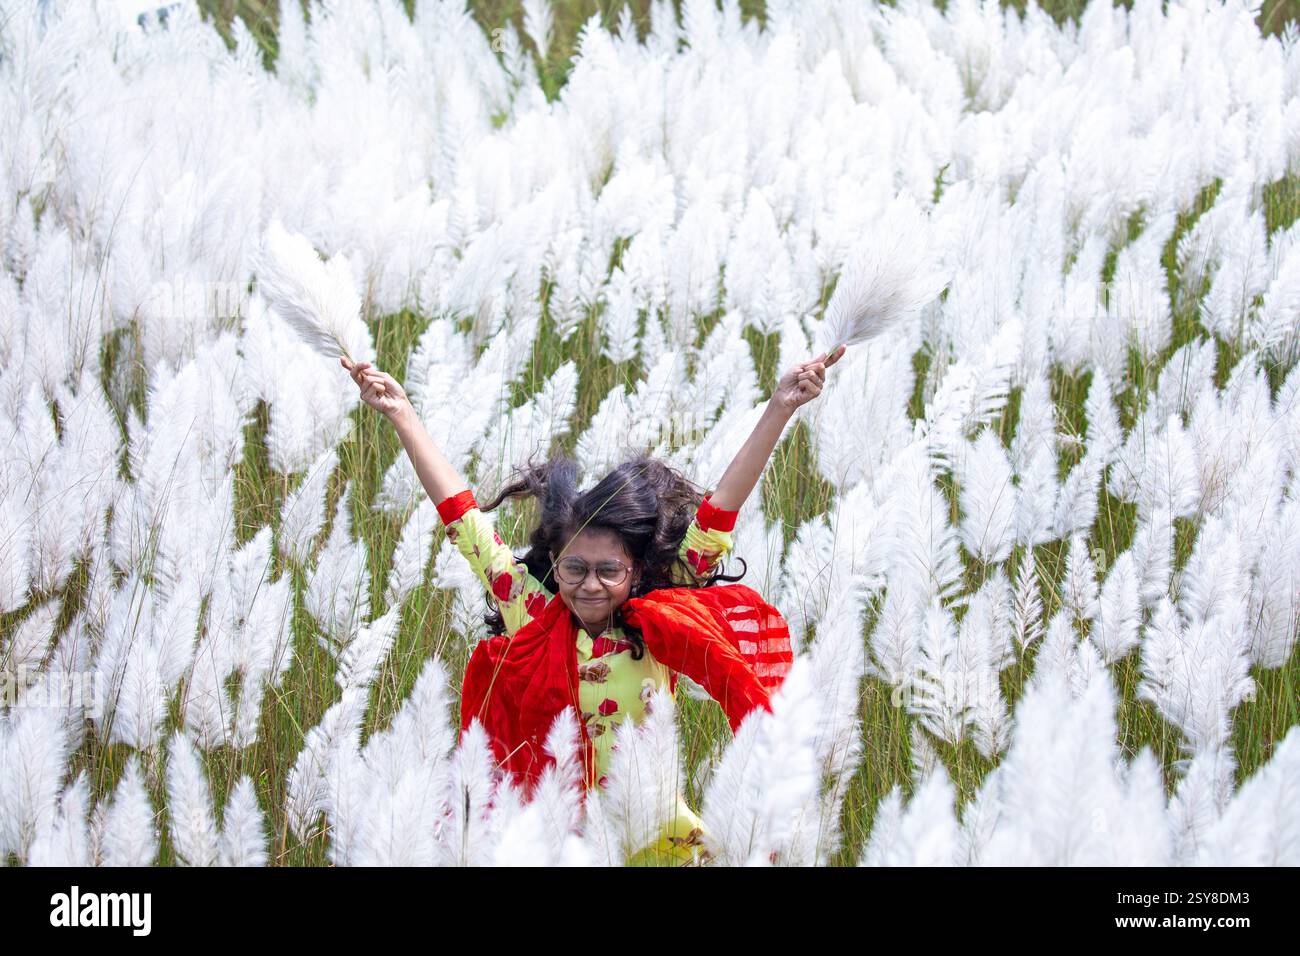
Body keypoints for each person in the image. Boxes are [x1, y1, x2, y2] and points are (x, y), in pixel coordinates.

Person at [343, 341, 845, 864]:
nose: (590, 585)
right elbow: (464, 521)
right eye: (574, 569)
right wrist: (401, 414)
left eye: (609, 571)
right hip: (563, 843)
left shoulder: (658, 618)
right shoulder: (532, 611)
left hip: (657, 840)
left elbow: (720, 513)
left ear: (635, 569)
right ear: (555, 564)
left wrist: (780, 407)